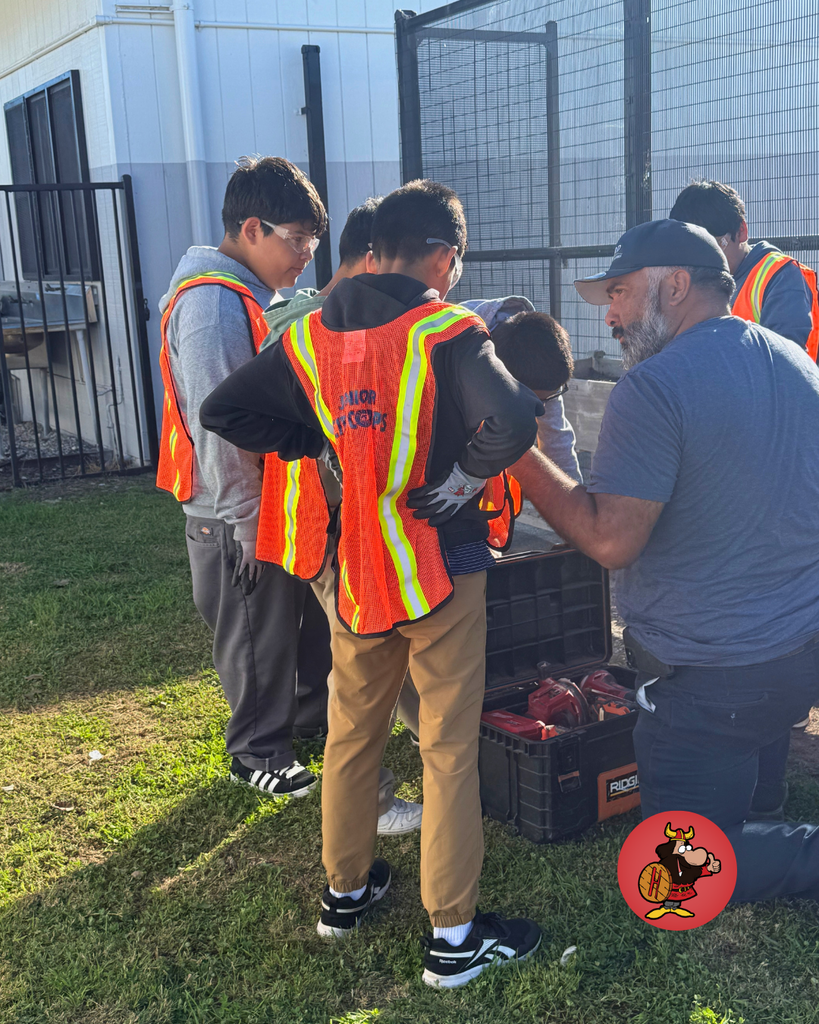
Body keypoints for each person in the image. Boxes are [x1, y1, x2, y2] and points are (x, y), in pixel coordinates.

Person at [200, 178, 544, 988]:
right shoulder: (443, 329)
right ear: (443, 257)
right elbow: (513, 418)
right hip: (441, 567)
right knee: (447, 751)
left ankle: (344, 894)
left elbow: (224, 411)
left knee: (352, 736)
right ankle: (453, 938)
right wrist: (463, 480)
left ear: (373, 248)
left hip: (356, 570)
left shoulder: (311, 333)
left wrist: (318, 440)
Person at [510, 217, 819, 905]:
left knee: (669, 876)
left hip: (711, 681)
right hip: (797, 656)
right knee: (752, 740)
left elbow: (610, 540)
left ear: (676, 285)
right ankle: (761, 797)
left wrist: (516, 452)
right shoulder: (798, 365)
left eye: (619, 292)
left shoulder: (652, 387)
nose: (609, 316)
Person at [156, 155, 332, 799]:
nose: (306, 256)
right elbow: (218, 425)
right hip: (235, 511)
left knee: (293, 625)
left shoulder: (253, 296)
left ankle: (306, 721)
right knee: (256, 633)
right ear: (252, 229)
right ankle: (257, 752)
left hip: (271, 501)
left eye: (313, 242)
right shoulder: (213, 304)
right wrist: (248, 521)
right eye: (298, 240)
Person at [256, 196, 424, 836]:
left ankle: (454, 760)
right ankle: (371, 804)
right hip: (331, 530)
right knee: (359, 673)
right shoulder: (308, 328)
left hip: (358, 527)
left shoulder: (310, 319)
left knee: (390, 657)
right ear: (373, 260)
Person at [395, 304, 581, 741]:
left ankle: (461, 710)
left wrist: (577, 524)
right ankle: (421, 722)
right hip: (404, 494)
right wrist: (462, 475)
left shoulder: (536, 356)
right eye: (531, 401)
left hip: (467, 513)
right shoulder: (446, 347)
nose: (539, 410)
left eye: (547, 399)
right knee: (408, 622)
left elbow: (556, 443)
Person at [669, 180, 819, 356]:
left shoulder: (780, 276)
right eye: (692, 250)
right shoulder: (689, 280)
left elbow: (784, 362)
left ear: (741, 231)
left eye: (714, 246)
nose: (702, 259)